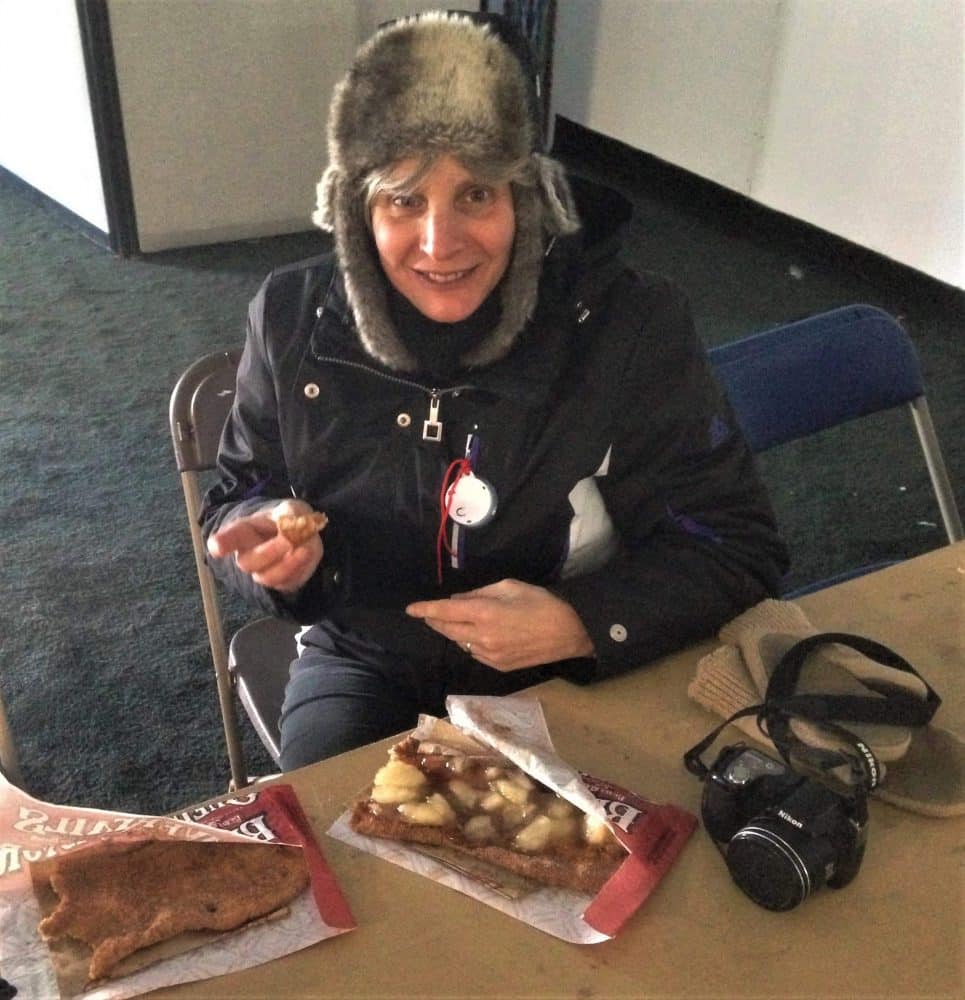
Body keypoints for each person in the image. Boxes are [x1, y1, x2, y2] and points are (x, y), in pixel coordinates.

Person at [201, 10, 789, 771]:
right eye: (402, 200)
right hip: (364, 653)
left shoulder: (629, 322)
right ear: (356, 212)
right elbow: (237, 496)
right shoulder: (288, 317)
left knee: (625, 858)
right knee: (336, 849)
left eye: (476, 194)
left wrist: (584, 622)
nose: (439, 244)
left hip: (573, 658)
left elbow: (733, 546)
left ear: (529, 198)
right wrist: (264, 540)